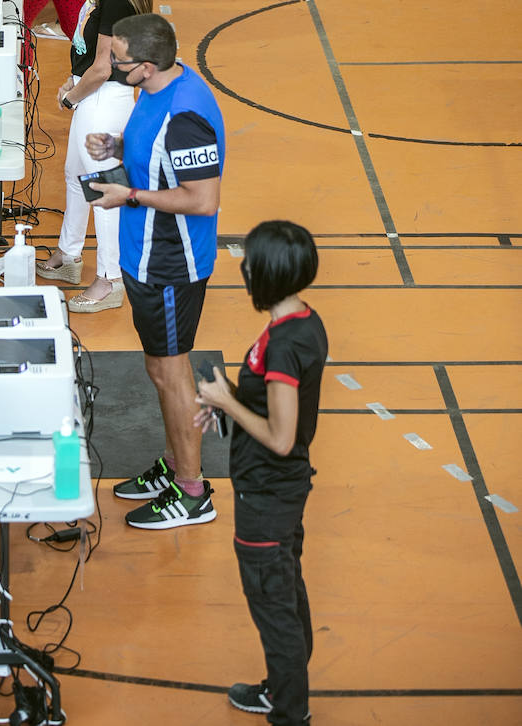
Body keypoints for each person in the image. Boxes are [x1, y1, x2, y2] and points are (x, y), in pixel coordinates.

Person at [85, 12, 225, 530]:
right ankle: (174, 466)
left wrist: (132, 194)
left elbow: (203, 200)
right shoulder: (158, 86)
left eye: (118, 61)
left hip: (171, 261)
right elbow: (160, 154)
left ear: (146, 65)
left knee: (172, 373)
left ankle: (192, 492)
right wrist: (118, 149)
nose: (112, 67)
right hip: (143, 254)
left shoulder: (187, 116)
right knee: (159, 369)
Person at [196, 221, 327, 726]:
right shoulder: (300, 321)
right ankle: (282, 687)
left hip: (267, 496)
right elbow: (270, 408)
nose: (244, 269)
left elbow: (280, 436)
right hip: (281, 490)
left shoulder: (284, 346)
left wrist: (227, 399)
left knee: (274, 606)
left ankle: (290, 710)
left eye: (249, 263)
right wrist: (226, 402)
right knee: (286, 592)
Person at [38, 0, 154, 311]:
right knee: (75, 174)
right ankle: (69, 256)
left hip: (105, 103)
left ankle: (110, 278)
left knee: (102, 189)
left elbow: (104, 67)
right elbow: (92, 58)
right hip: (94, 97)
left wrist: (72, 96)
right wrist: (75, 79)